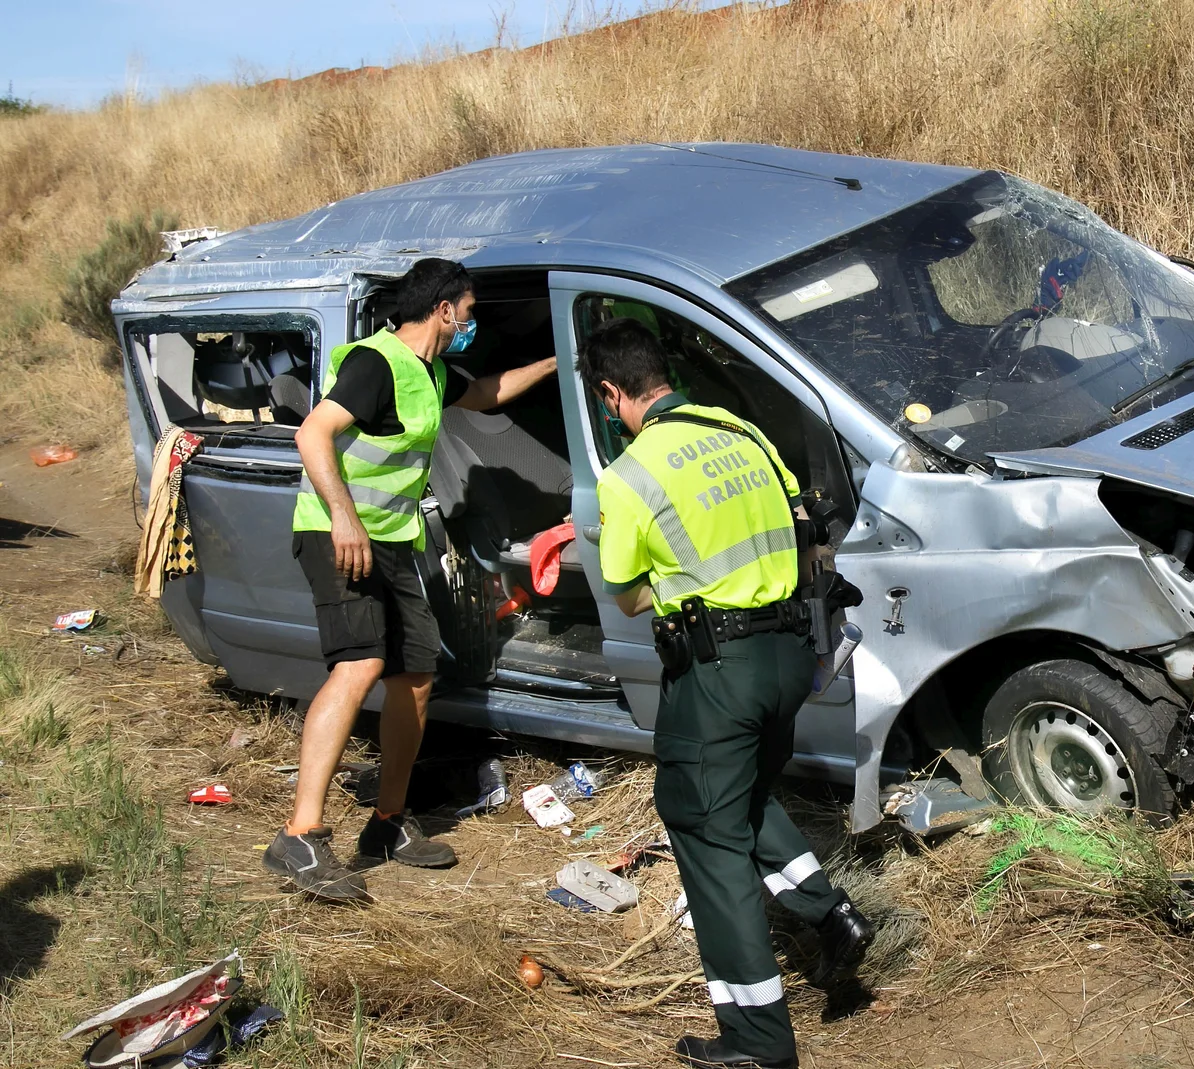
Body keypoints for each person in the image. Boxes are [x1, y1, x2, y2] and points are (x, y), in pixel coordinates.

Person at [580, 318, 875, 1069]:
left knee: (702, 828)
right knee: (736, 798)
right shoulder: (741, 432)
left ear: (613, 393)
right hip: (787, 661)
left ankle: (756, 1042)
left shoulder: (631, 473)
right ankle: (831, 913)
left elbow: (627, 595)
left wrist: (688, 588)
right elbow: (806, 531)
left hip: (718, 670)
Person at [264, 257, 557, 903]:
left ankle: (387, 824)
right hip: (336, 533)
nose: (473, 321)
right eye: (471, 310)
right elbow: (313, 435)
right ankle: (299, 834)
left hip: (391, 539)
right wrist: (343, 517)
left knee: (417, 676)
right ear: (444, 308)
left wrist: (557, 359)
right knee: (359, 665)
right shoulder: (376, 363)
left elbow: (485, 394)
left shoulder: (428, 370)